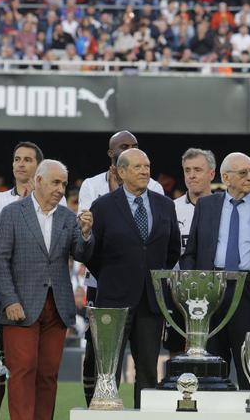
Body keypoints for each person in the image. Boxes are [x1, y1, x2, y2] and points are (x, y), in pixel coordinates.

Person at [75, 148, 180, 409]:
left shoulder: (165, 205)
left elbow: (172, 251)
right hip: (113, 301)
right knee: (107, 373)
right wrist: (115, 277)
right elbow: (91, 255)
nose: (145, 171)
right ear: (121, 172)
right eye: (138, 167)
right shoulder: (103, 206)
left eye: (147, 166)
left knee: (147, 372)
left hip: (150, 303)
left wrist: (148, 276)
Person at [180, 152, 250, 395]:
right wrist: (194, 287)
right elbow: (190, 253)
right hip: (211, 291)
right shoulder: (206, 206)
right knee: (211, 371)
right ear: (226, 177)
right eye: (243, 173)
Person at [0, 160, 93, 420]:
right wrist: (9, 300)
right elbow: (0, 260)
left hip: (57, 307)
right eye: (55, 182)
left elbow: (81, 254)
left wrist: (85, 234)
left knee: (48, 374)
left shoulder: (68, 217)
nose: (61, 189)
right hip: (20, 307)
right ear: (38, 181)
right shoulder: (12, 213)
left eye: (64, 184)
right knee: (23, 370)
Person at [0, 141, 62, 410]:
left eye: (27, 159)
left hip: (49, 298)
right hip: (5, 295)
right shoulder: (0, 202)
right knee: (5, 366)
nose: (20, 164)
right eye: (17, 159)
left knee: (44, 371)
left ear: (38, 168)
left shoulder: (58, 202)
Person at [164, 148, 216, 357]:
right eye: (187, 170)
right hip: (177, 293)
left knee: (214, 352)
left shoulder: (224, 208)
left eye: (197, 170)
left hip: (213, 294)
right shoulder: (170, 208)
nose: (192, 175)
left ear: (211, 174)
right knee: (176, 353)